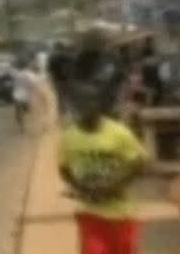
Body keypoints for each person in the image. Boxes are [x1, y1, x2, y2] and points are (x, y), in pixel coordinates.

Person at [59, 83, 148, 254]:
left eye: (91, 101)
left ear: (99, 104)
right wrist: (81, 188)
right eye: (80, 102)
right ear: (74, 105)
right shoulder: (69, 137)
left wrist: (114, 185)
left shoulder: (119, 133)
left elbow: (139, 162)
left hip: (122, 213)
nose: (86, 106)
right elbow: (64, 168)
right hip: (90, 214)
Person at [11, 61, 49, 133]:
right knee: (36, 112)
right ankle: (43, 126)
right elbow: (34, 85)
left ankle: (22, 127)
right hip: (28, 97)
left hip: (17, 96)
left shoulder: (16, 74)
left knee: (19, 113)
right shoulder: (30, 75)